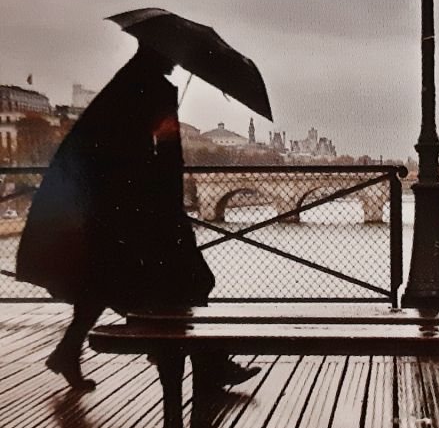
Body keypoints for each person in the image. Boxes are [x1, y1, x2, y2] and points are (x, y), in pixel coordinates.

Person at [16, 45, 258, 390]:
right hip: (143, 210)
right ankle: (207, 363)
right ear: (160, 54)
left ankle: (70, 350)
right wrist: (172, 203)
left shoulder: (121, 86)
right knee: (192, 281)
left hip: (105, 208)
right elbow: (168, 151)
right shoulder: (157, 89)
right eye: (172, 55)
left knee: (102, 282)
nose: (176, 61)